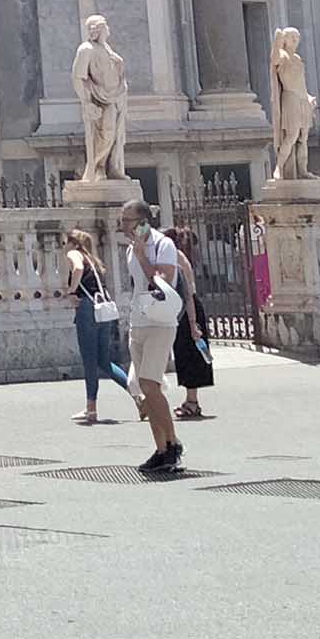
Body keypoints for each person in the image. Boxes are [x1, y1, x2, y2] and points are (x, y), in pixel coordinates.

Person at [118, 202, 186, 476]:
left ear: (143, 221)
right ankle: (161, 449)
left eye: (128, 220)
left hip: (160, 322)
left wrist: (144, 256)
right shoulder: (129, 250)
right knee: (143, 387)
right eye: (122, 220)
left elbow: (163, 281)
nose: (123, 225)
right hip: (139, 320)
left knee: (150, 382)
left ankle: (172, 442)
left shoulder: (163, 244)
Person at [63, 228, 132, 425]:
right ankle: (138, 395)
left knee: (90, 360)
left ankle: (91, 408)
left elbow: (77, 269)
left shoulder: (74, 254)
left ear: (73, 243)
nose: (64, 247)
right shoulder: (94, 260)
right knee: (104, 360)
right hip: (104, 309)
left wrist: (70, 291)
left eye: (64, 242)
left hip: (87, 308)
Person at [165, 222, 214, 419]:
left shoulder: (176, 256)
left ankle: (192, 401)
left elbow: (188, 292)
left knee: (190, 353)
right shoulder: (174, 255)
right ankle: (190, 399)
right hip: (183, 308)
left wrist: (193, 322)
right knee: (183, 353)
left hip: (188, 308)